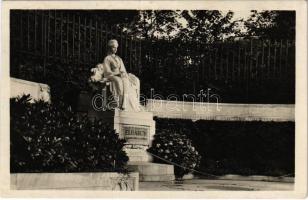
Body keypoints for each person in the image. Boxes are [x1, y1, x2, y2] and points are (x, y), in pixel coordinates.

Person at [91, 39, 141, 111]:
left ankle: (124, 102)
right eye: (114, 47)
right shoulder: (107, 58)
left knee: (126, 80)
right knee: (118, 81)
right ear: (109, 47)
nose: (115, 49)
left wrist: (123, 73)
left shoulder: (119, 59)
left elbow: (123, 70)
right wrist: (117, 73)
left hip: (120, 75)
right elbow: (107, 71)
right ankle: (118, 103)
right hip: (111, 76)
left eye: (116, 47)